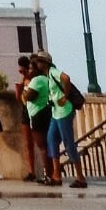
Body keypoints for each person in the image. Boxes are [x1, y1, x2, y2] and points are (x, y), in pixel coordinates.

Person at [40, 52, 87, 189]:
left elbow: (66, 78)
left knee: (68, 142)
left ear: (46, 62)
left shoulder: (53, 72)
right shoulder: (48, 75)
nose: (37, 64)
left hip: (64, 111)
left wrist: (65, 96)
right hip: (56, 112)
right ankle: (56, 175)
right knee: (51, 139)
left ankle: (80, 177)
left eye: (40, 61)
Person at [22, 54, 55, 184]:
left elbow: (27, 96)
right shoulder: (46, 79)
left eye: (30, 68)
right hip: (46, 112)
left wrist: (25, 89)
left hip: (38, 114)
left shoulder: (37, 81)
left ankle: (48, 175)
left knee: (42, 147)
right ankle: (51, 174)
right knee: (47, 146)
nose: (28, 71)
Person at [15, 55, 37, 180]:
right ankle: (31, 171)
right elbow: (19, 98)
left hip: (35, 110)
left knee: (40, 142)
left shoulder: (34, 79)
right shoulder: (24, 79)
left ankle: (45, 171)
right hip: (26, 110)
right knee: (28, 143)